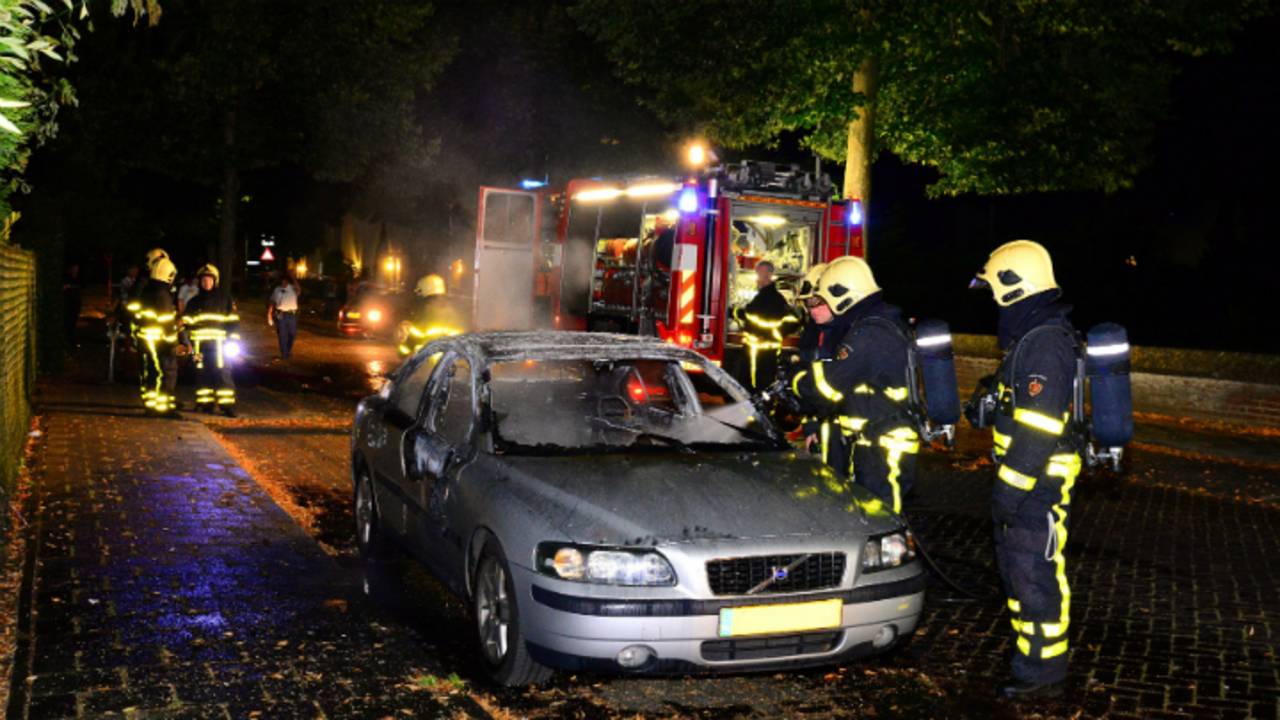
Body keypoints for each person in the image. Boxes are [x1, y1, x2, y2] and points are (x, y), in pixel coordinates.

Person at [966, 240, 1081, 699]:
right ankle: (1028, 657)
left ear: (1013, 288)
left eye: (995, 287)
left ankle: (1043, 674)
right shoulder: (1032, 338)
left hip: (1039, 485)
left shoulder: (1046, 343)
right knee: (1020, 573)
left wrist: (1009, 491)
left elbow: (1038, 430)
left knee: (1036, 576)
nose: (992, 298)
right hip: (1027, 484)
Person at [784, 257, 919, 507]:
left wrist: (795, 380)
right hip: (873, 439)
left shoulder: (869, 334)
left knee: (880, 516)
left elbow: (828, 386)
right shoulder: (873, 325)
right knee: (866, 512)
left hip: (883, 445)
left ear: (842, 295)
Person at [182, 264, 240, 416]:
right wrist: (185, 340)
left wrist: (232, 341)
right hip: (199, 347)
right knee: (202, 375)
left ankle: (227, 406)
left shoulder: (225, 299)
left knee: (223, 375)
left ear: (215, 281)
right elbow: (186, 322)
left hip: (220, 346)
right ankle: (204, 403)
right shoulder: (193, 302)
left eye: (209, 279)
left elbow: (233, 322)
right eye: (203, 279)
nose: (206, 282)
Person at [731, 260, 798, 390]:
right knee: (760, 382)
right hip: (760, 350)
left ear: (768, 275)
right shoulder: (767, 296)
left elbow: (792, 321)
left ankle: (758, 406)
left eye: (759, 274)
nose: (756, 279)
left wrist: (771, 335)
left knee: (759, 384)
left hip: (761, 352)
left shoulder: (770, 298)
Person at [130, 257, 180, 415]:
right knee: (165, 373)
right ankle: (163, 408)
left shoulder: (147, 291)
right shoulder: (162, 295)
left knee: (151, 373)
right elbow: (166, 322)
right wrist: (173, 344)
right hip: (160, 342)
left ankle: (151, 406)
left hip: (146, 339)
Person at [399, 273, 464, 356]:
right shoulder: (453, 308)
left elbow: (414, 336)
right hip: (450, 358)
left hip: (429, 359)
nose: (418, 294)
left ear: (425, 289)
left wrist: (402, 352)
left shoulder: (425, 309)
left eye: (420, 291)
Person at [267, 272, 300, 360]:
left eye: (285, 281)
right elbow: (272, 302)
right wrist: (269, 314)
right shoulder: (277, 290)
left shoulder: (293, 288)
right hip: (280, 314)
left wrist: (294, 278)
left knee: (292, 334)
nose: (283, 283)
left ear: (288, 281)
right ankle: (284, 354)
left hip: (292, 314)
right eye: (282, 281)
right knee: (282, 335)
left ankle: (287, 351)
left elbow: (298, 290)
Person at [62, 263, 83, 347]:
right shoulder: (67, 278)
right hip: (69, 304)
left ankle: (72, 340)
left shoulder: (78, 278)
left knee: (73, 322)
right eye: (74, 269)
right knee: (68, 322)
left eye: (76, 269)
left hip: (76, 304)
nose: (75, 270)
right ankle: (69, 340)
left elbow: (81, 286)